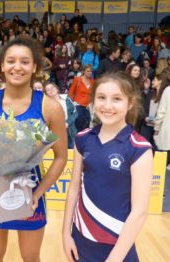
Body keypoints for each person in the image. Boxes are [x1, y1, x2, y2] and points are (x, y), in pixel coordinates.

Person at [0, 37, 67, 262]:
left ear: (34, 67)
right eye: (11, 61)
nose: (17, 67)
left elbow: (61, 157)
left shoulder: (50, 108)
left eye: (25, 62)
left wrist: (38, 192)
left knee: (31, 256)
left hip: (29, 193)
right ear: (2, 66)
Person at [63, 71, 153, 262]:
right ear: (93, 101)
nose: (107, 106)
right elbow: (73, 189)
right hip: (80, 241)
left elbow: (139, 212)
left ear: (130, 103)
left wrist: (115, 258)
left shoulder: (139, 148)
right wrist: (65, 234)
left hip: (117, 248)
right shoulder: (83, 138)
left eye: (117, 99)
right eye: (101, 98)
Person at [68, 64, 94, 132]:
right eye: (88, 71)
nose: (90, 73)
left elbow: (93, 94)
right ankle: (77, 139)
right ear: (84, 71)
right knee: (79, 124)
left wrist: (90, 103)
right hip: (78, 105)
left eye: (91, 71)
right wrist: (71, 105)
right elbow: (71, 93)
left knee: (87, 124)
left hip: (88, 106)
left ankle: (84, 140)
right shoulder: (77, 79)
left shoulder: (93, 82)